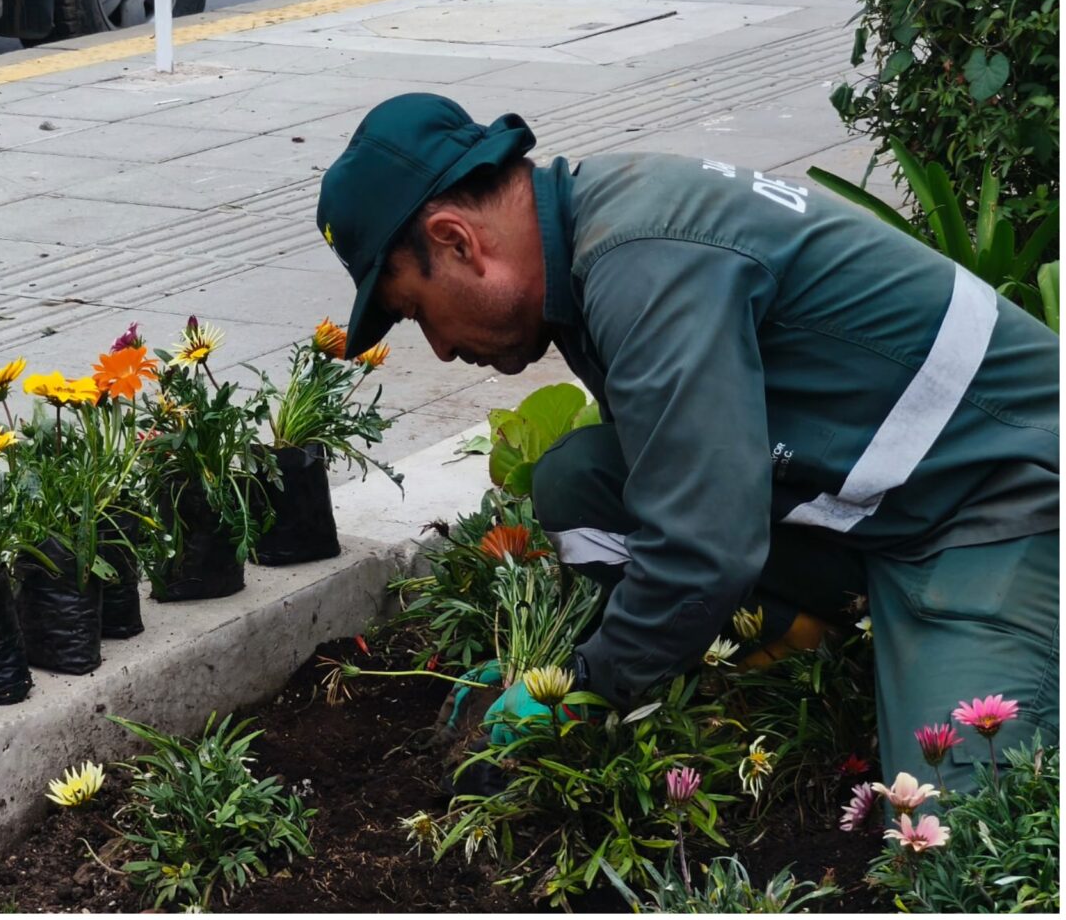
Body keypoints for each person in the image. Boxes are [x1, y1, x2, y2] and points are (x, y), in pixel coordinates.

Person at [313, 93, 1058, 785]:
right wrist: (544, 662)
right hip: (886, 504)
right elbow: (673, 479)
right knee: (583, 480)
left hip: (1003, 502)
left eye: (416, 311)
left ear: (457, 241)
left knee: (952, 832)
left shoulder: (642, 260)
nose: (440, 351)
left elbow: (704, 540)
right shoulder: (587, 233)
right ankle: (828, 652)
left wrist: (583, 684)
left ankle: (939, 648)